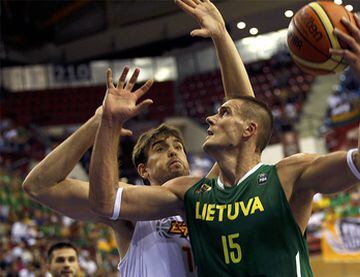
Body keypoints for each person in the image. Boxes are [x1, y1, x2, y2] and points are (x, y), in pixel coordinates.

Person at [89, 2, 360, 276]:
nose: (209, 118)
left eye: (223, 113)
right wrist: (109, 124)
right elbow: (104, 202)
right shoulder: (191, 192)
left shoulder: (289, 176)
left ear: (249, 130)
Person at [22, 0, 253, 276]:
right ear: (142, 170)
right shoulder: (129, 208)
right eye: (161, 148)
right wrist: (97, 123)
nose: (173, 152)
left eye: (178, 147)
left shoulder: (206, 193)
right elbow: (38, 186)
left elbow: (245, 118)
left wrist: (222, 37)